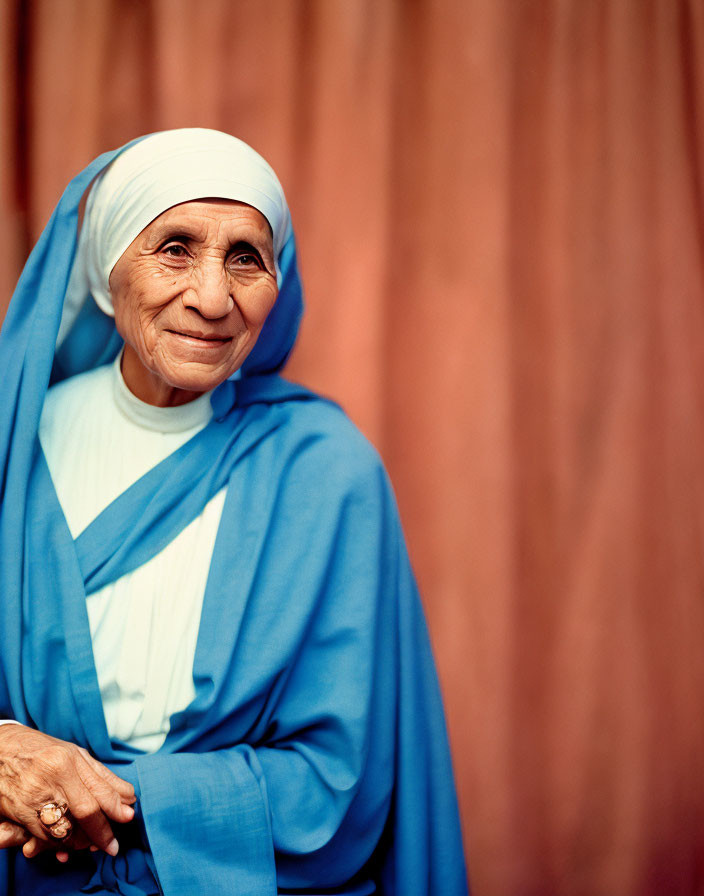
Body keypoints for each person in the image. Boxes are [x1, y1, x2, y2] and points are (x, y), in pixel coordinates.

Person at [0, 128, 468, 896]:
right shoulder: (13, 444)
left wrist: (105, 802)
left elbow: (337, 786)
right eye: (175, 248)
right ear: (108, 267)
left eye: (246, 256)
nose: (213, 298)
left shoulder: (325, 469)